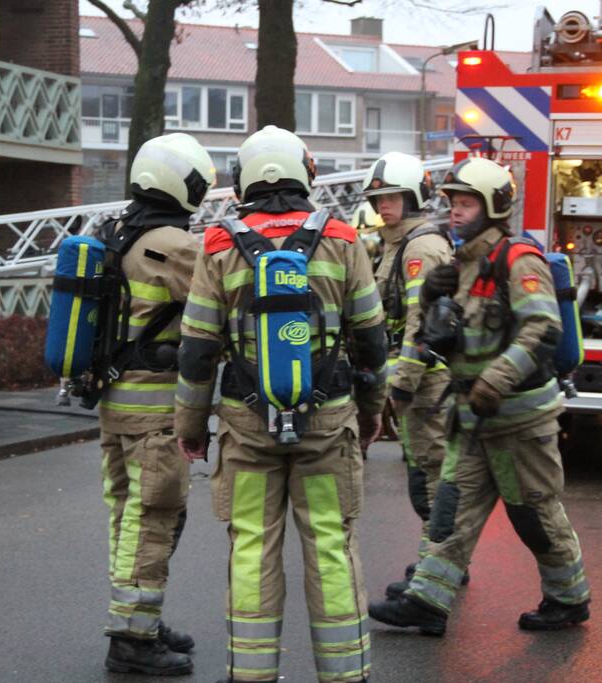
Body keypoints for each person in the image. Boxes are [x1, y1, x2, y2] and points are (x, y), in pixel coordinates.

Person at [174, 125, 388, 683]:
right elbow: (370, 340)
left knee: (250, 546)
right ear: (305, 174)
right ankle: (344, 675)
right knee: (330, 545)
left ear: (243, 181)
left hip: (246, 425)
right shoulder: (343, 239)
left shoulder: (218, 246)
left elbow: (197, 351)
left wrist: (191, 425)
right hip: (327, 420)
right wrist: (372, 411)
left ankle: (251, 674)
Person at [368, 155, 591, 636]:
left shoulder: (518, 259)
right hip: (471, 417)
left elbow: (541, 327)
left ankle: (568, 598)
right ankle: (428, 600)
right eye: (452, 203)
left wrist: (495, 380)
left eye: (466, 203)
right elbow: (450, 333)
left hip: (517, 420)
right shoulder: (460, 264)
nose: (455, 212)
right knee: (451, 507)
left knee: (533, 512)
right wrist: (430, 296)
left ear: (493, 206)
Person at [96, 133, 215, 676]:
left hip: (113, 404)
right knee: (155, 519)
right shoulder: (175, 246)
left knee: (129, 517)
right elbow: (225, 303)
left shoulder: (115, 232)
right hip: (154, 412)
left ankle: (142, 619)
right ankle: (132, 640)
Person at [360, 152, 466, 598]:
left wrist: (402, 381)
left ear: (415, 197)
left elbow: (422, 322)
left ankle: (438, 566)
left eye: (394, 197)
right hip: (416, 380)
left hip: (427, 382)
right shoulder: (395, 243)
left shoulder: (420, 247)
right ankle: (438, 561)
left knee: (435, 474)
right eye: (379, 197)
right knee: (424, 472)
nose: (384, 206)